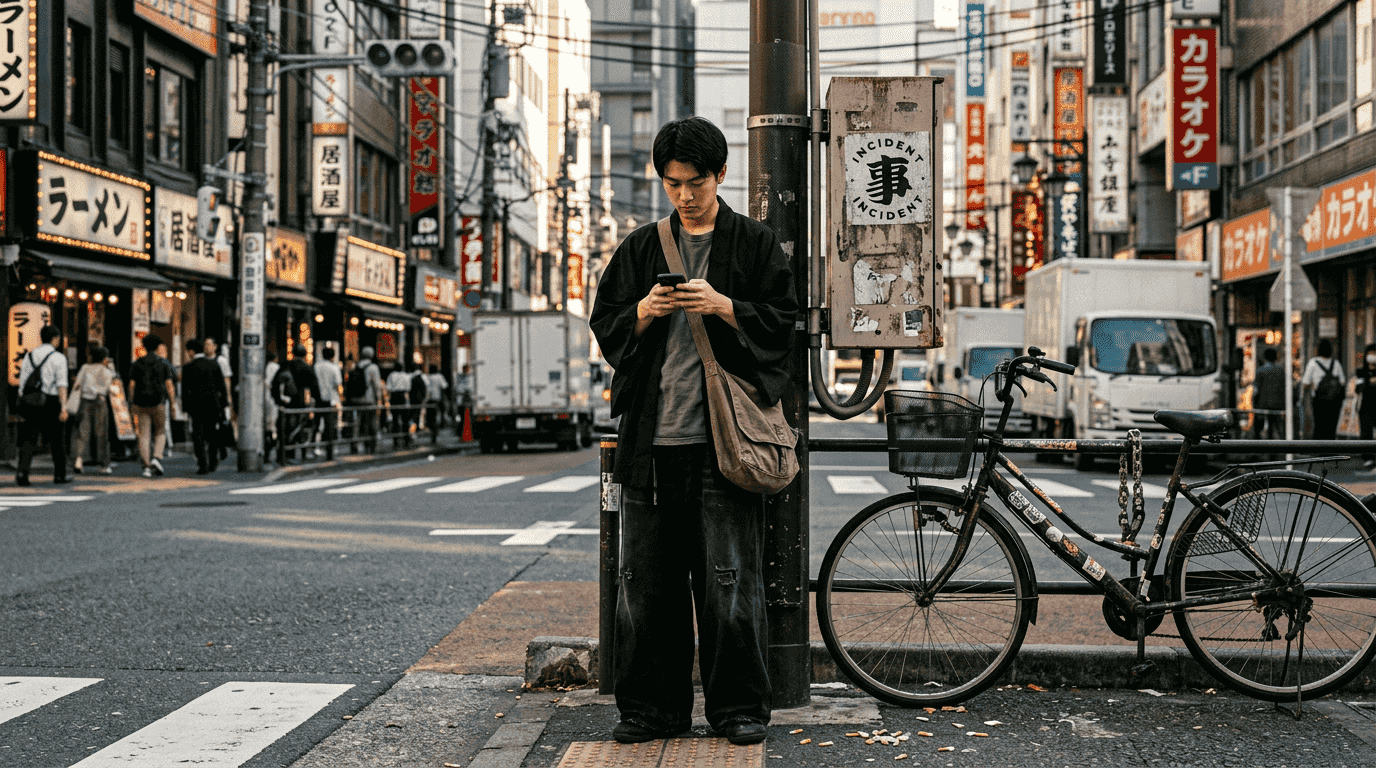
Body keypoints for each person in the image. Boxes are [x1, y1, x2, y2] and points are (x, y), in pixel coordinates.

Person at [589, 116, 797, 747]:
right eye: (672, 183)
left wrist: (725, 305)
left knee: (731, 584)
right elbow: (607, 326)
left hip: (723, 446)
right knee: (645, 587)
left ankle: (738, 710)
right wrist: (645, 313)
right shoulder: (640, 248)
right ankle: (652, 710)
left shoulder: (754, 245)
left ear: (720, 176)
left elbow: (785, 324)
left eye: (696, 182)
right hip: (649, 446)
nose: (684, 195)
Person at [15, 326, 72, 486]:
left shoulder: (29, 355)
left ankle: (22, 473)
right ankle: (60, 475)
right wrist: (63, 407)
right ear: (55, 338)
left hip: (31, 401)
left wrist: (22, 397)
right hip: (51, 402)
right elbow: (62, 384)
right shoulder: (58, 357)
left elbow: (23, 381)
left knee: (29, 439)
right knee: (57, 439)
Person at [127, 334, 176, 478]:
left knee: (144, 434)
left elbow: (131, 385)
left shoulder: (137, 363)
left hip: (140, 402)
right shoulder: (163, 363)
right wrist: (173, 403)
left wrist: (132, 401)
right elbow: (169, 385)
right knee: (160, 431)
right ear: (157, 347)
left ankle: (146, 467)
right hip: (158, 401)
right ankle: (157, 458)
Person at [181, 339, 229, 474]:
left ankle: (203, 465)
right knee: (212, 434)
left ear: (191, 351)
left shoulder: (188, 368)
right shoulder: (214, 364)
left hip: (196, 407)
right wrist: (224, 404)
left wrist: (185, 408)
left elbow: (185, 391)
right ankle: (213, 462)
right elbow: (222, 386)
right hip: (213, 405)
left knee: (198, 436)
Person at [71, 345, 116, 475]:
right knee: (101, 433)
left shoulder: (85, 368)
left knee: (82, 432)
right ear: (105, 358)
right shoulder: (106, 372)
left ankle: (78, 461)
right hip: (99, 402)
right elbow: (109, 388)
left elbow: (77, 383)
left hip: (84, 401)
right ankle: (104, 464)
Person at [276, 344, 322, 460]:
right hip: (300, 402)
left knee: (284, 427)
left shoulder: (285, 365)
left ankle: (283, 454)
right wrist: (317, 400)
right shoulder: (306, 367)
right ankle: (301, 453)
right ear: (305, 355)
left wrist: (278, 399)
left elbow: (275, 383)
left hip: (285, 402)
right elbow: (314, 386)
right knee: (300, 427)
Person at [1302, 338, 1345, 441]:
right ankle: (1331, 447)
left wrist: (1313, 384)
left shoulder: (1313, 363)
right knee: (1332, 425)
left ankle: (1320, 449)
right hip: (1335, 401)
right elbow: (1343, 382)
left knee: (1319, 424)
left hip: (1319, 400)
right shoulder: (1336, 363)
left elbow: (1305, 383)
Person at [345, 346, 385, 453]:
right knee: (370, 422)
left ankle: (354, 444)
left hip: (355, 399)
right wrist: (379, 399)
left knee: (356, 423)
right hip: (368, 399)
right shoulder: (373, 367)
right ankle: (370, 444)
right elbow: (377, 385)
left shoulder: (355, 366)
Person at [314, 346, 344, 459]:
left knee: (317, 425)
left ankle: (315, 447)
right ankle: (330, 450)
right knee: (330, 425)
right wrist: (340, 396)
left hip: (318, 399)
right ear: (333, 356)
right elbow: (338, 385)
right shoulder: (334, 368)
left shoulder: (316, 366)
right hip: (331, 399)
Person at [1251, 347, 1286, 440]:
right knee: (1276, 428)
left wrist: (1253, 403)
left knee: (1259, 429)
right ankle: (1275, 450)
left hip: (1263, 405)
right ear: (1276, 357)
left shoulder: (1260, 371)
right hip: (1278, 405)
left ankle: (1261, 450)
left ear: (1264, 357)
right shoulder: (1281, 371)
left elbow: (1255, 390)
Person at [1353, 343, 1376, 469]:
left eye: (1374, 353)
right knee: (1366, 432)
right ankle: (1368, 458)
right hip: (1365, 406)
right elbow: (1358, 389)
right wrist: (1368, 382)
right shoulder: (1361, 371)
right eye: (1370, 353)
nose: (1372, 356)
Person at [386, 361, 413, 447]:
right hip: (403, 396)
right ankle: (406, 440)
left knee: (395, 420)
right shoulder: (406, 375)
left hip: (394, 397)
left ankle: (396, 441)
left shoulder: (391, 375)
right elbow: (409, 387)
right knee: (405, 419)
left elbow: (388, 387)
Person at [264, 351, 280, 458]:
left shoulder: (265, 367)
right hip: (272, 397)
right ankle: (271, 445)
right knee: (272, 423)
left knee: (267, 423)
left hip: (265, 397)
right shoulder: (275, 367)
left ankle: (268, 446)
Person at [424, 363, 448, 434]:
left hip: (429, 399)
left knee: (430, 415)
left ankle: (431, 428)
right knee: (438, 414)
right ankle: (436, 429)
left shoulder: (427, 377)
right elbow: (444, 387)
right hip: (438, 398)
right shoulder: (439, 377)